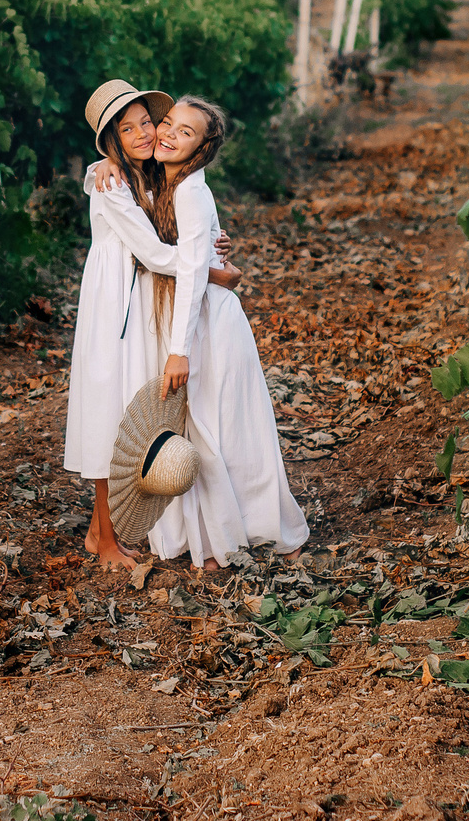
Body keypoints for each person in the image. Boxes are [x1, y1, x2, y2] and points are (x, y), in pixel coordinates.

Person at [61, 81, 237, 570]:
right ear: (112, 140)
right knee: (106, 413)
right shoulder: (113, 181)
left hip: (137, 302)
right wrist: (212, 269)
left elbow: (181, 226)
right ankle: (105, 540)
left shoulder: (148, 177)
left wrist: (211, 247)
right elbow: (156, 252)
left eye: (147, 122)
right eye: (127, 128)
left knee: (124, 408)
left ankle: (103, 530)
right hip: (112, 304)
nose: (142, 134)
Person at [137, 95, 308, 568]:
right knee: (200, 429)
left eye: (185, 132)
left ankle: (263, 534)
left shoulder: (190, 190)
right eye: (167, 122)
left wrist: (179, 350)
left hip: (208, 323)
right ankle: (213, 538)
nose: (169, 133)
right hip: (194, 316)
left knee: (223, 430)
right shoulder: (160, 181)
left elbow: (193, 271)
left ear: (202, 148)